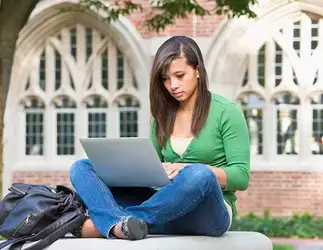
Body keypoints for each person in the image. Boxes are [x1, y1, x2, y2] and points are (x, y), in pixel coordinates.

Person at [70, 36, 250, 240]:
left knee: (200, 174)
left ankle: (112, 224)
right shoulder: (162, 117)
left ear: (198, 70)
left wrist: (185, 169)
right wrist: (128, 170)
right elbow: (151, 172)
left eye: (180, 75)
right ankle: (124, 224)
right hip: (165, 207)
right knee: (82, 167)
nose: (173, 85)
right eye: (165, 78)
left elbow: (241, 177)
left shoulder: (227, 112)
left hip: (208, 213)